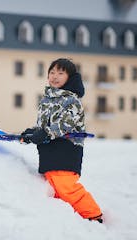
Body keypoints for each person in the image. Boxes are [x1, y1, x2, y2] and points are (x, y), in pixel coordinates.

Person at [20, 58, 103, 223]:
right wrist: (33, 132)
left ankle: (93, 215)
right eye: (52, 72)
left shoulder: (72, 101)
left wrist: (44, 134)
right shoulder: (46, 100)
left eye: (60, 73)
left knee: (66, 186)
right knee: (55, 185)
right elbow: (44, 125)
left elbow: (64, 126)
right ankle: (68, 219)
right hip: (50, 150)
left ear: (70, 78)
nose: (55, 76)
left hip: (66, 149)